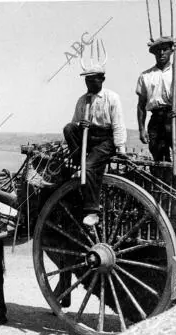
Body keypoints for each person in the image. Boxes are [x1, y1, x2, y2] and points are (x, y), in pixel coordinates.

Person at [63, 66, 127, 226]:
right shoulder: (82, 100)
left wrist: (120, 147)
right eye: (87, 79)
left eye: (94, 79)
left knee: (90, 166)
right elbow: (74, 122)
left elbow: (118, 124)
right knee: (69, 128)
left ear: (102, 79)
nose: (90, 83)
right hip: (88, 137)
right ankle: (80, 164)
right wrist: (80, 124)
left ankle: (92, 211)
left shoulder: (111, 97)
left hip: (106, 139)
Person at [137, 37, 176, 163]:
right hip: (157, 120)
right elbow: (141, 105)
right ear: (154, 53)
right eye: (158, 50)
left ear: (171, 51)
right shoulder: (146, 76)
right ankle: (162, 183)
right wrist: (142, 129)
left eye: (165, 49)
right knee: (160, 160)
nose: (162, 53)